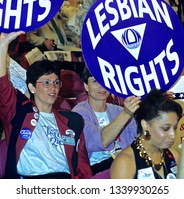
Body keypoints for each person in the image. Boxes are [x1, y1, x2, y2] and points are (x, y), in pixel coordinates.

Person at [0, 32, 92, 179]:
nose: (53, 87)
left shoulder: (72, 121)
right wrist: (3, 47)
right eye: (46, 83)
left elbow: (83, 167)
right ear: (32, 87)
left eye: (56, 82)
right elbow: (2, 87)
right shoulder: (18, 112)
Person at [72, 66, 141, 175]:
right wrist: (126, 114)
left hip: (125, 162)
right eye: (95, 81)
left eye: (105, 80)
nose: (101, 86)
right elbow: (99, 141)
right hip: (98, 168)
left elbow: (137, 139)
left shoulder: (118, 110)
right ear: (86, 86)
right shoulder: (79, 112)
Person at [110, 89, 184, 179]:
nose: (173, 134)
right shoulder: (125, 163)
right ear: (145, 125)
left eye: (175, 128)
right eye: (166, 128)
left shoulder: (174, 156)